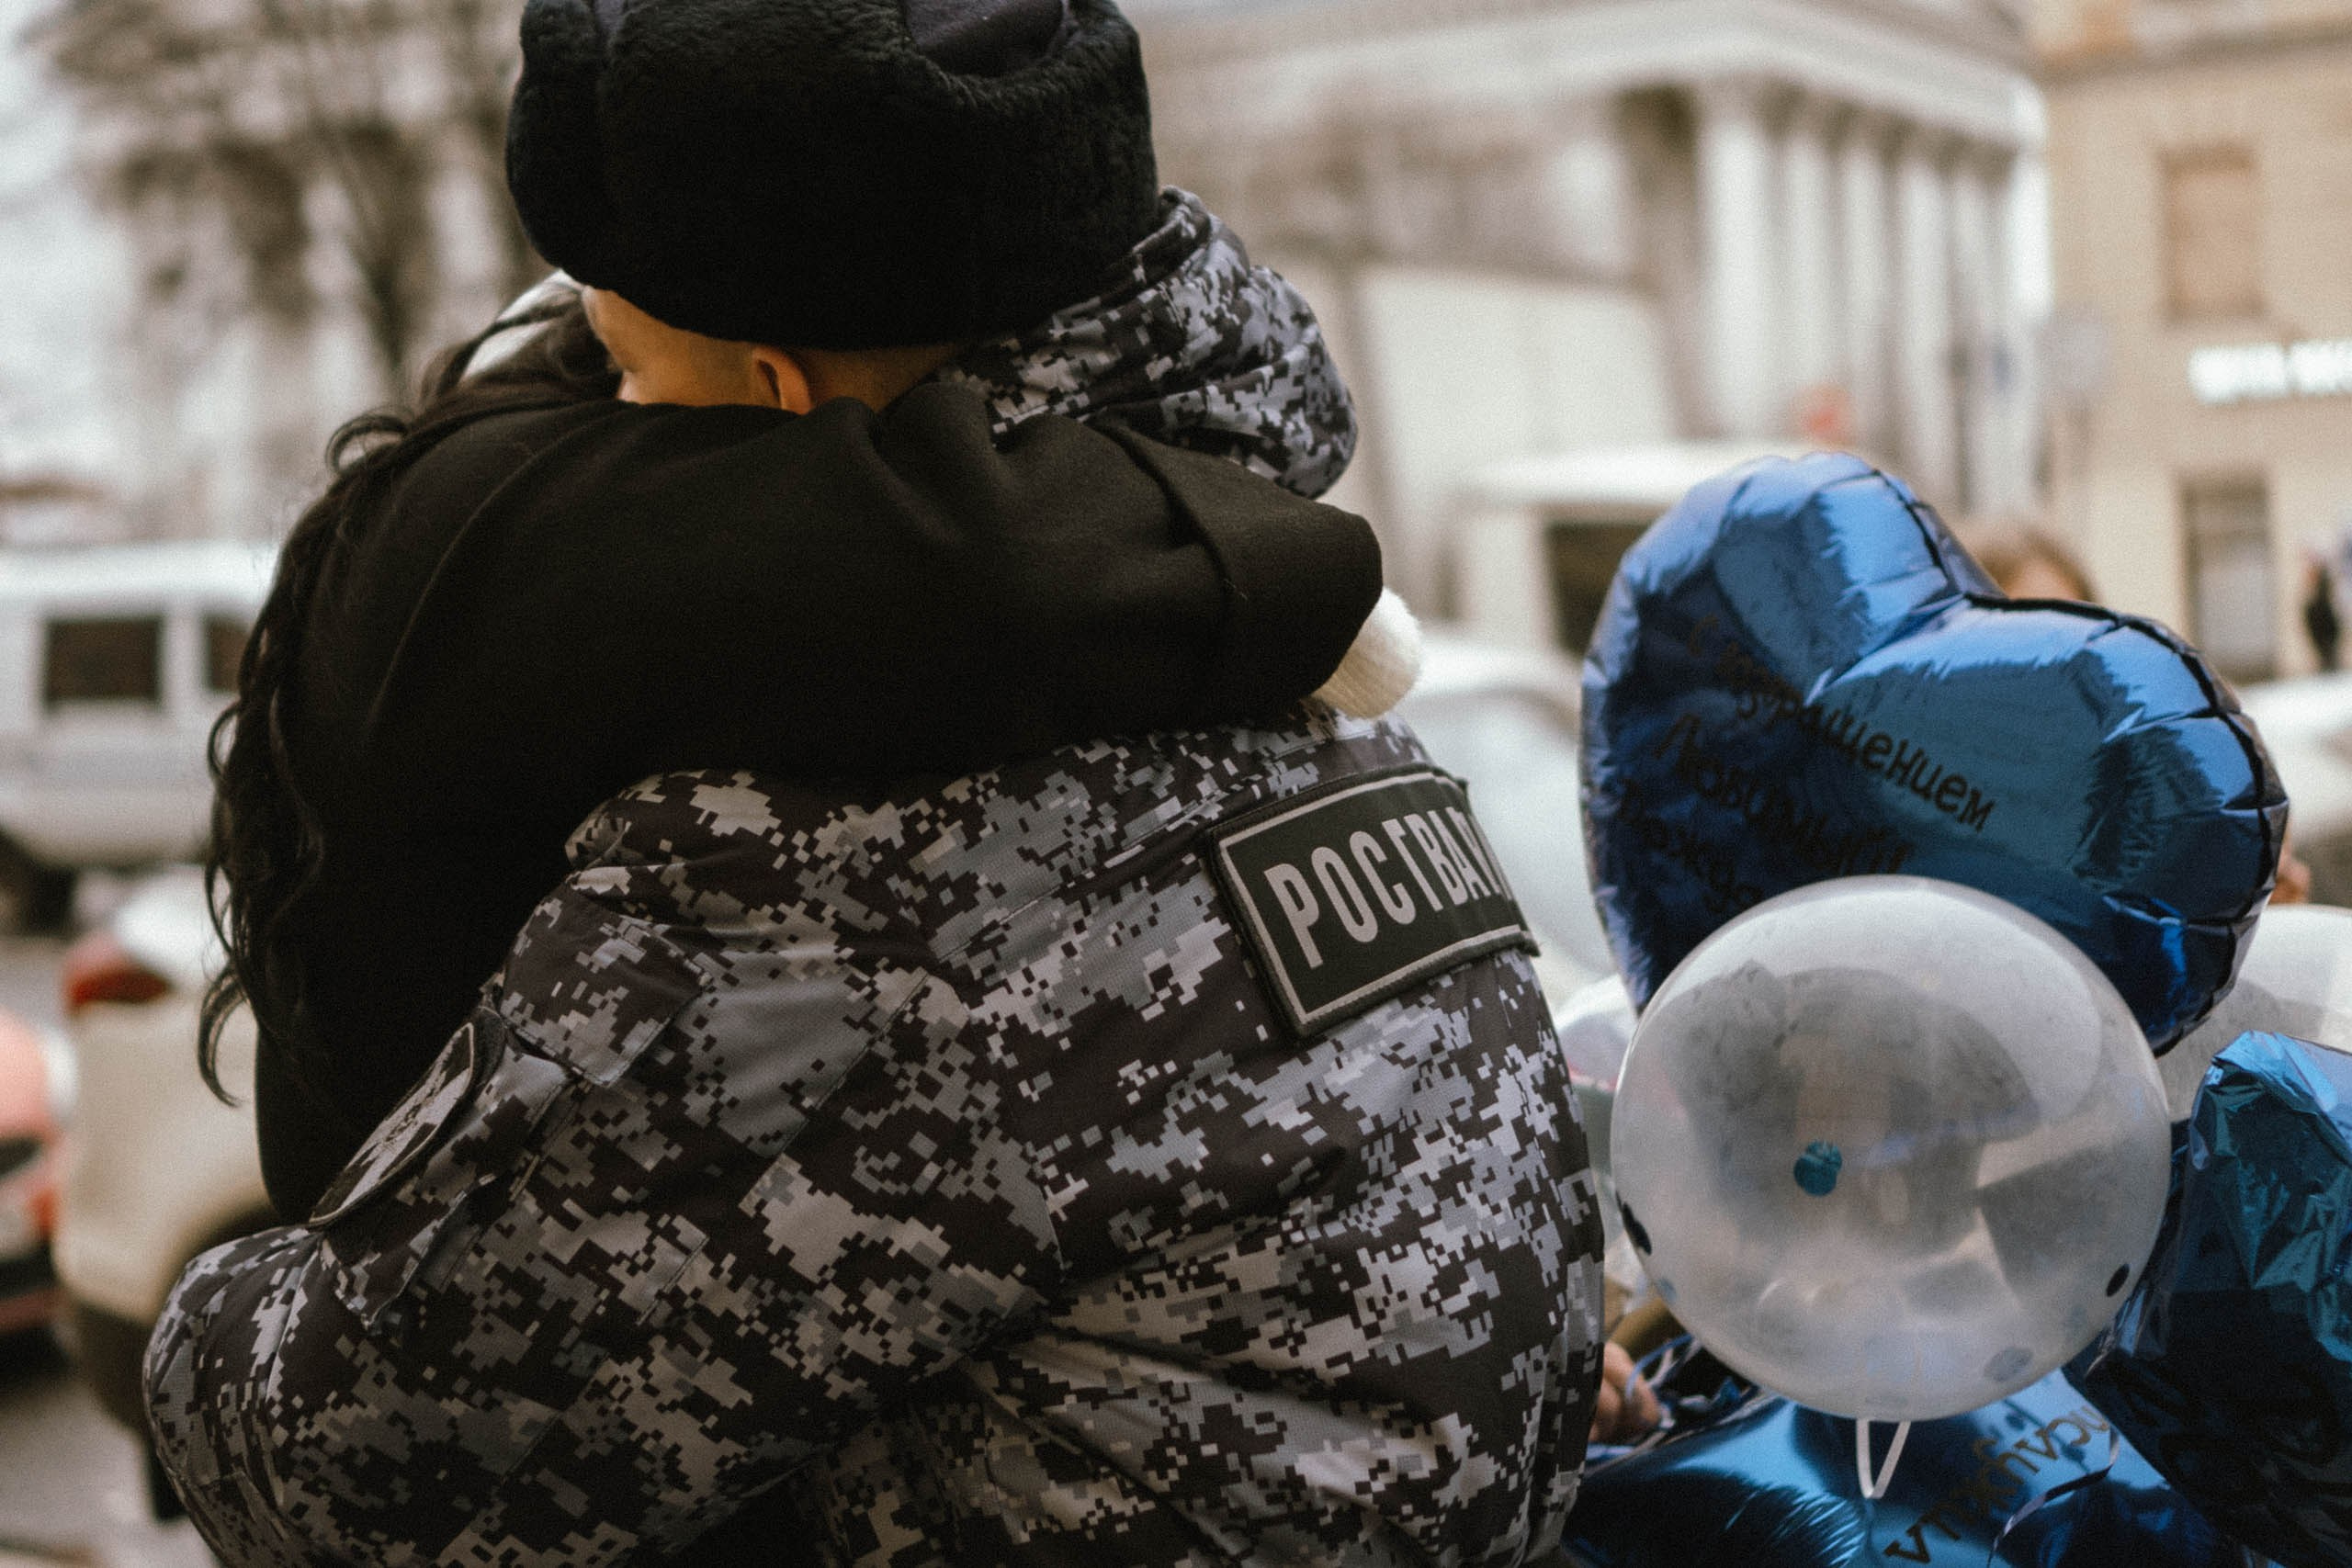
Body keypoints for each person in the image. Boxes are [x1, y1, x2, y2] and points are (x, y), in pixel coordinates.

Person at [145, 1, 1607, 1562]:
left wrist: (217, 1306)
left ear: (777, 403)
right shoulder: (1306, 689)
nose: (612, 430)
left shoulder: (813, 881)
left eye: (631, 383)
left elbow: (344, 1467)